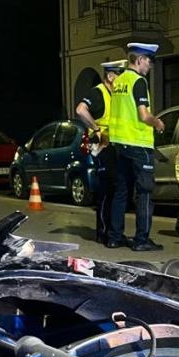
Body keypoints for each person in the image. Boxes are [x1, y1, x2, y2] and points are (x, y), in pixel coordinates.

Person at [106, 42, 165, 251]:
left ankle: (114, 237)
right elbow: (143, 115)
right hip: (139, 144)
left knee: (121, 191)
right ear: (139, 60)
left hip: (120, 144)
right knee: (144, 193)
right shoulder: (139, 81)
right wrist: (158, 123)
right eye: (149, 61)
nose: (150, 65)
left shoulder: (119, 81)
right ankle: (141, 240)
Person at [74, 59, 125, 244]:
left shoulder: (116, 95)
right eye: (120, 76)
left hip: (114, 146)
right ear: (110, 76)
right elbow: (80, 110)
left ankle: (113, 231)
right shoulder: (98, 93)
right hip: (103, 147)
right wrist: (96, 129)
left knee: (116, 189)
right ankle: (103, 232)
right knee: (106, 190)